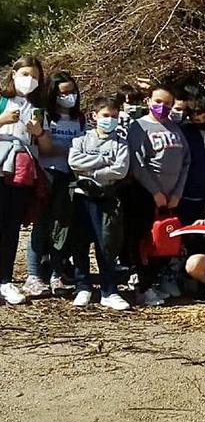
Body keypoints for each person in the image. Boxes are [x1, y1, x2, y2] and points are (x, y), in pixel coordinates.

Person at [22, 72, 86, 297]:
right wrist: (73, 150)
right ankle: (33, 274)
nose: (68, 96)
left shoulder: (80, 119)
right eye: (63, 93)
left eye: (72, 91)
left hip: (70, 177)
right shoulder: (44, 116)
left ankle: (57, 273)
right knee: (41, 225)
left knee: (63, 226)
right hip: (46, 175)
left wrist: (72, 152)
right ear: (53, 94)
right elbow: (44, 148)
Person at [127, 85, 191, 306]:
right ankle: (142, 287)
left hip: (171, 197)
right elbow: (137, 163)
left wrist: (177, 194)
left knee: (164, 242)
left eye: (167, 103)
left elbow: (185, 162)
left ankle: (154, 282)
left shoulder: (175, 128)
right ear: (148, 101)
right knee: (144, 243)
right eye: (157, 101)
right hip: (146, 195)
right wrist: (155, 192)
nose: (161, 107)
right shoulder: (139, 127)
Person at [66, 96, 131, 310]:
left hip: (107, 198)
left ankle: (109, 290)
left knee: (107, 244)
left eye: (114, 116)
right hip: (82, 197)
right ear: (94, 116)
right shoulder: (81, 139)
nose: (109, 120)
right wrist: (103, 162)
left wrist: (91, 171)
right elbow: (74, 162)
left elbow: (120, 170)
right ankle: (83, 286)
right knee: (80, 243)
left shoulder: (121, 142)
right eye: (105, 116)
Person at [0, 55, 52, 305]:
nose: (29, 80)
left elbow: (47, 147)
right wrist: (2, 120)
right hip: (1, 168)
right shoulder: (2, 101)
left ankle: (6, 280)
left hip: (22, 173)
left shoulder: (38, 109)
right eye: (25, 75)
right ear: (13, 74)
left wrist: (38, 132)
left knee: (11, 227)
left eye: (34, 76)